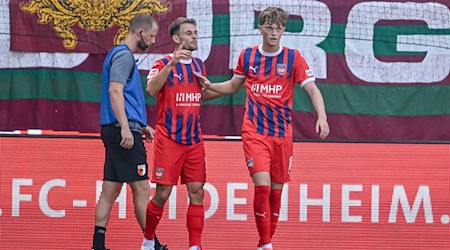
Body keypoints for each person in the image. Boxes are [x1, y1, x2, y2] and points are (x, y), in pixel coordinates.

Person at [196, 7, 330, 250]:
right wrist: (209, 88)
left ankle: (263, 243)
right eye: (269, 27)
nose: (273, 32)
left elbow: (312, 89)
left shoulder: (293, 58)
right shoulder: (247, 56)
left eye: (278, 28)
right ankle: (267, 244)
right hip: (254, 132)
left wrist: (322, 117)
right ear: (260, 29)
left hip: (282, 135)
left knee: (275, 194)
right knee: (262, 186)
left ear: (283, 30)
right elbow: (233, 86)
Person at [93, 14, 159, 250]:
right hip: (121, 131)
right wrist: (125, 127)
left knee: (110, 189)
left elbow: (124, 99)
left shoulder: (117, 54)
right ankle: (152, 244)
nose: (152, 42)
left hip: (117, 127)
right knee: (141, 188)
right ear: (140, 32)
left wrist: (141, 124)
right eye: (151, 36)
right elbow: (114, 91)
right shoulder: (124, 56)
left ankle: (97, 245)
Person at [141, 17, 207, 250]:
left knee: (197, 192)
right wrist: (171, 65)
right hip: (169, 138)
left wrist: (218, 87)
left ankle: (194, 246)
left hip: (194, 139)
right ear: (177, 39)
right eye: (189, 33)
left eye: (195, 32)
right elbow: (150, 89)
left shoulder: (199, 65)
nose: (194, 36)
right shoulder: (162, 63)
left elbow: (200, 95)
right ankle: (148, 240)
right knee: (162, 194)